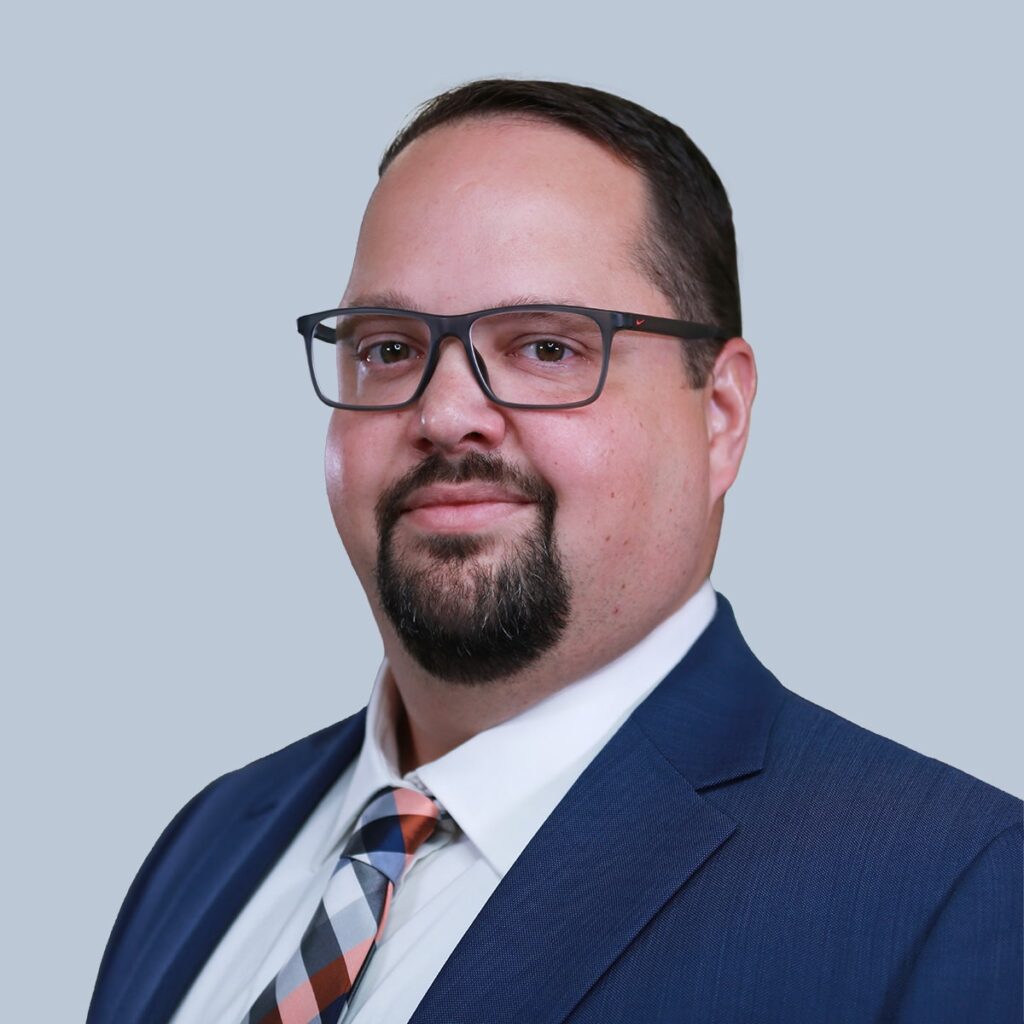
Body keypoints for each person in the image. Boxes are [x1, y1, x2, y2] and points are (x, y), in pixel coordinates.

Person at [87, 79, 1022, 1024]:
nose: (445, 413)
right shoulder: (204, 848)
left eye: (545, 347)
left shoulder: (952, 892)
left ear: (721, 417)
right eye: (387, 348)